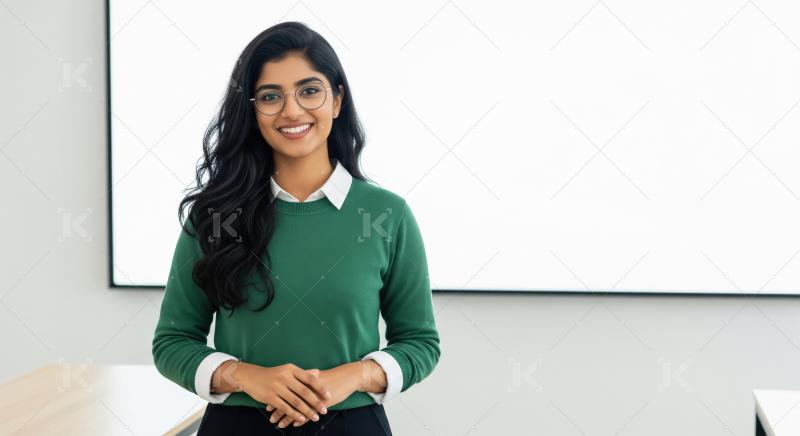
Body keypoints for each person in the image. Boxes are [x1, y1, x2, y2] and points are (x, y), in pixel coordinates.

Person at [151, 21, 441, 435]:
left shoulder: (386, 215)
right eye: (271, 96)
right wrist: (246, 377)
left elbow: (421, 343)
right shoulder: (215, 216)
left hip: (352, 427)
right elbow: (172, 343)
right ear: (252, 111)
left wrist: (354, 376)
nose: (291, 111)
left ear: (337, 100)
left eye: (309, 91)